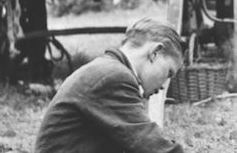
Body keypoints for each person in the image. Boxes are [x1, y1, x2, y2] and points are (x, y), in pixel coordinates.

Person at [35, 18, 184, 153]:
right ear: (155, 53)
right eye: (168, 73)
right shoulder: (115, 77)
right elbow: (150, 144)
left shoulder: (108, 68)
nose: (164, 85)